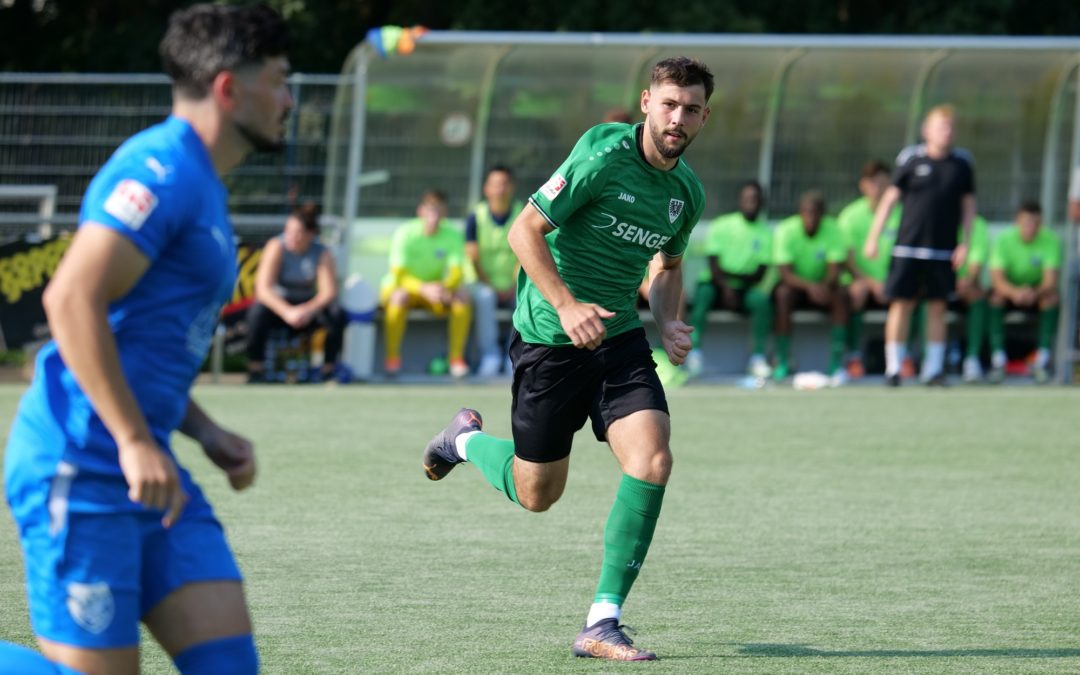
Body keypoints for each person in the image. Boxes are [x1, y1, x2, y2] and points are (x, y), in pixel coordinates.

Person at [0, 4, 291, 674]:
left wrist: (205, 428)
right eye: (278, 79)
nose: (289, 98)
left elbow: (141, 344)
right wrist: (132, 439)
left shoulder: (204, 183)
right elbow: (71, 298)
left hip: (151, 471)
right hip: (80, 462)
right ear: (228, 88)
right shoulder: (159, 169)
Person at [420, 57, 712, 661]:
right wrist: (567, 303)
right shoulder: (603, 155)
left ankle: (602, 622)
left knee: (653, 460)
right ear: (646, 103)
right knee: (537, 493)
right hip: (550, 339)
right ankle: (464, 442)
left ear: (704, 116)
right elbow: (523, 231)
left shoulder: (687, 193)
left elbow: (667, 268)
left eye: (690, 108)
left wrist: (668, 320)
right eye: (669, 104)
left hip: (620, 340)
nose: (677, 117)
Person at [865, 104, 977, 387]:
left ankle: (933, 370)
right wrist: (873, 236)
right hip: (908, 248)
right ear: (926, 130)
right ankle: (894, 368)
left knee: (938, 307)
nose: (946, 132)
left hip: (942, 250)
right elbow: (890, 199)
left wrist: (965, 243)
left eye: (951, 127)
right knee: (902, 305)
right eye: (941, 126)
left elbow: (968, 206)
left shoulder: (962, 164)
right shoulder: (911, 159)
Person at [245, 202, 347, 383]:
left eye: (297, 232)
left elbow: (328, 291)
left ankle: (328, 370)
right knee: (256, 313)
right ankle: (256, 369)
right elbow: (263, 289)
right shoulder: (276, 246)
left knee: (337, 314)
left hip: (307, 307)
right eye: (288, 230)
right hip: (279, 307)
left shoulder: (321, 252)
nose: (291, 236)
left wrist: (308, 310)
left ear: (311, 234)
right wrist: (286, 311)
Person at [380, 189, 471, 377]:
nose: (434, 217)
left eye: (439, 211)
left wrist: (446, 287)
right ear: (420, 211)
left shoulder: (452, 235)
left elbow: (456, 270)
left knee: (462, 296)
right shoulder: (405, 233)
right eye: (430, 211)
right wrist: (423, 288)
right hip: (405, 289)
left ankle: (456, 359)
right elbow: (399, 275)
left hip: (433, 291)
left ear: (445, 213)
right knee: (399, 296)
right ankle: (392, 358)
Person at [686, 180, 772, 378]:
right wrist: (727, 286)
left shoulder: (765, 233)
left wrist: (735, 282)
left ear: (762, 203)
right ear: (740, 201)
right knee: (703, 295)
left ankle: (758, 358)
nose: (751, 203)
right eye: (747, 199)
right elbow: (714, 266)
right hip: (716, 285)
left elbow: (759, 274)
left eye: (755, 199)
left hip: (744, 289)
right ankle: (694, 353)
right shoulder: (722, 225)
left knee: (761, 302)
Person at [772, 190, 849, 382]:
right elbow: (785, 273)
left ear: (823, 215)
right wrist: (810, 287)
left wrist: (822, 286)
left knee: (841, 295)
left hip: (824, 287)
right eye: (806, 213)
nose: (811, 217)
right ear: (799, 213)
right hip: (798, 288)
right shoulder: (786, 230)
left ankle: (836, 364)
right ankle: (782, 360)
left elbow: (835, 269)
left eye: (815, 213)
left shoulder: (833, 229)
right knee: (782, 295)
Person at [987, 200, 1062, 384]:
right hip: (1010, 291)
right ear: (1017, 222)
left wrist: (1033, 293)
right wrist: (1014, 293)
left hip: (1036, 292)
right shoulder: (1004, 240)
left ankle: (1041, 361)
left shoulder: (1050, 240)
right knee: (994, 298)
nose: (1031, 227)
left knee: (1051, 299)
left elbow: (1050, 281)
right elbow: (997, 280)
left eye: (1036, 223)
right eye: (1027, 222)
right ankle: (998, 360)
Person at [838, 160, 899, 378]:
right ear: (863, 185)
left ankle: (902, 358)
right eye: (873, 183)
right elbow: (847, 257)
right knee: (856, 293)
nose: (878, 189)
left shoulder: (902, 213)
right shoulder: (850, 215)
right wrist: (871, 282)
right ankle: (853, 357)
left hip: (893, 282)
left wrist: (891, 282)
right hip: (862, 281)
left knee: (911, 294)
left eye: (883, 183)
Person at [464, 165, 523, 376]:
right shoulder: (475, 217)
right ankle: (489, 355)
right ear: (486, 188)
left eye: (505, 184)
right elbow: (473, 257)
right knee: (485, 297)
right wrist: (489, 284)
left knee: (525, 297)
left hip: (513, 283)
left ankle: (512, 358)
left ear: (512, 187)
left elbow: (527, 254)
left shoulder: (523, 213)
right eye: (495, 184)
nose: (500, 189)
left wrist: (514, 284)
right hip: (483, 283)